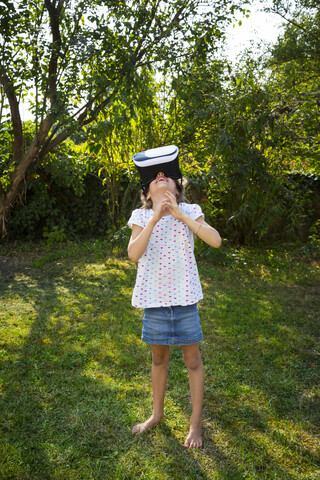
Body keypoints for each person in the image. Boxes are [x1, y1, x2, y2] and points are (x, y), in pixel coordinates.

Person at [127, 146, 221, 448]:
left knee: (193, 360)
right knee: (159, 358)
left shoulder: (191, 211)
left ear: (177, 187)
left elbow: (215, 241)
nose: (161, 178)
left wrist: (181, 215)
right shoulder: (141, 216)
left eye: (167, 175)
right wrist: (154, 219)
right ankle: (157, 415)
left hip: (185, 301)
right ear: (147, 192)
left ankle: (195, 425)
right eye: (155, 178)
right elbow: (133, 254)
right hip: (154, 303)